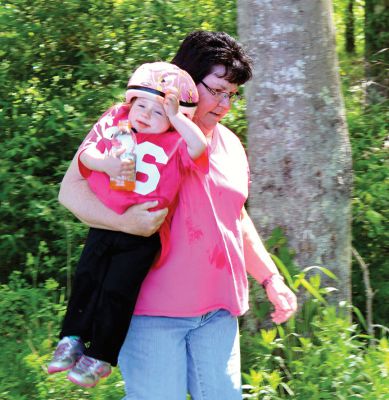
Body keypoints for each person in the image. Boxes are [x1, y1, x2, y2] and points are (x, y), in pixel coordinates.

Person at [58, 30, 297, 399]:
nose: (223, 105)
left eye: (231, 94)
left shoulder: (230, 143)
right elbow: (71, 190)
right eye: (215, 90)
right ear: (182, 79)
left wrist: (270, 278)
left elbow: (234, 217)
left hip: (218, 313)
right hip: (152, 312)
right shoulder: (134, 128)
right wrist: (124, 223)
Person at [48, 62, 207, 388]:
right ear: (131, 100)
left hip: (143, 234)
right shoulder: (118, 120)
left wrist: (176, 117)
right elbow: (87, 153)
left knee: (117, 291)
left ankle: (102, 354)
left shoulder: (177, 142)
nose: (146, 115)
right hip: (106, 221)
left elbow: (200, 146)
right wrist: (104, 163)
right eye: (142, 105)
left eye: (159, 112)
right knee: (87, 278)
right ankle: (72, 337)